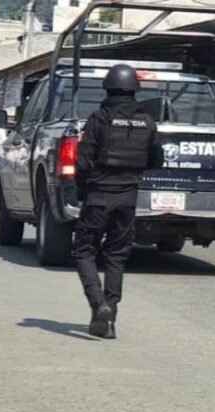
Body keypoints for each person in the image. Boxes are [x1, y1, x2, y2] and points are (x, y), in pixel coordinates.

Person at [73, 64, 163, 339]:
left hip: (98, 196)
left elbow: (83, 162)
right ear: (134, 89)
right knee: (115, 257)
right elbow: (157, 160)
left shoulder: (99, 119)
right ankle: (108, 319)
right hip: (127, 199)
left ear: (107, 88)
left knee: (84, 252)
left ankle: (98, 303)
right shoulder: (147, 121)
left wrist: (81, 189)